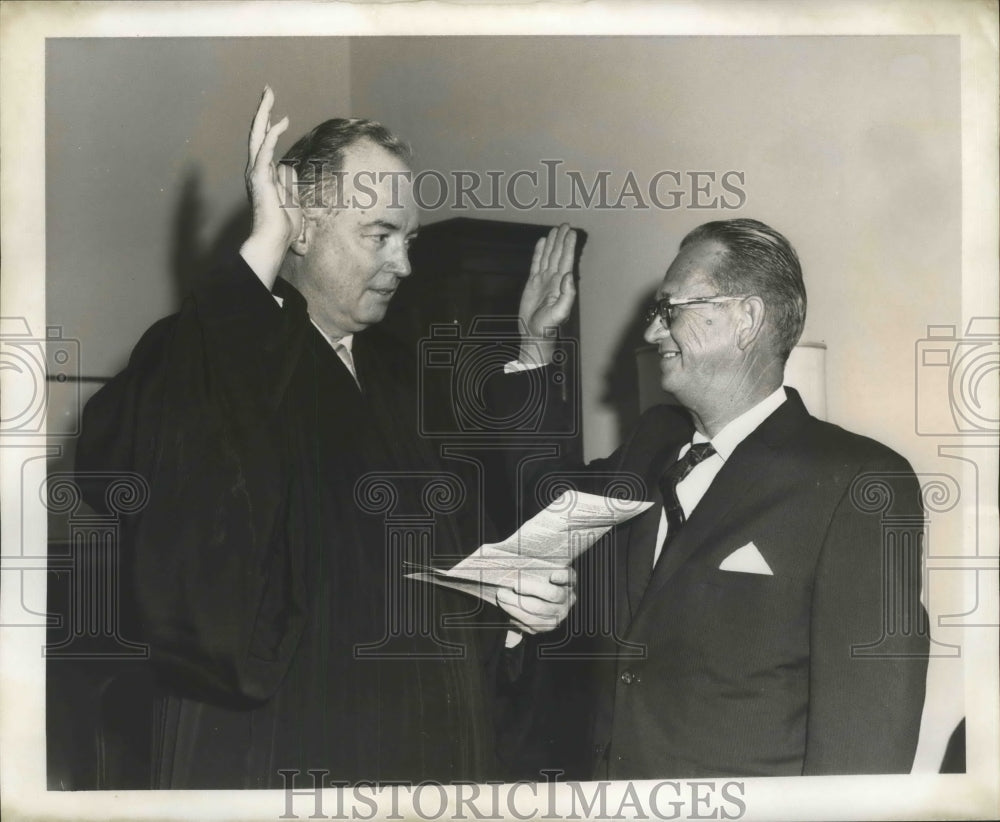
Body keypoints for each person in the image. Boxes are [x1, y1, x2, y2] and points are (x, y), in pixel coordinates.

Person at [75, 87, 575, 789]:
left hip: (430, 753)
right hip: (284, 752)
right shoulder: (216, 351)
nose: (404, 264)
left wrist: (515, 603)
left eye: (410, 240)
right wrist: (259, 252)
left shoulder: (400, 375)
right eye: (379, 235)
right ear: (302, 229)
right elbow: (121, 461)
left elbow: (464, 548)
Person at [502, 218, 929, 779]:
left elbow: (865, 740)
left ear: (746, 319)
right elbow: (540, 502)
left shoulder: (859, 483)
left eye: (669, 310)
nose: (653, 333)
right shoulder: (652, 443)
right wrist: (536, 345)